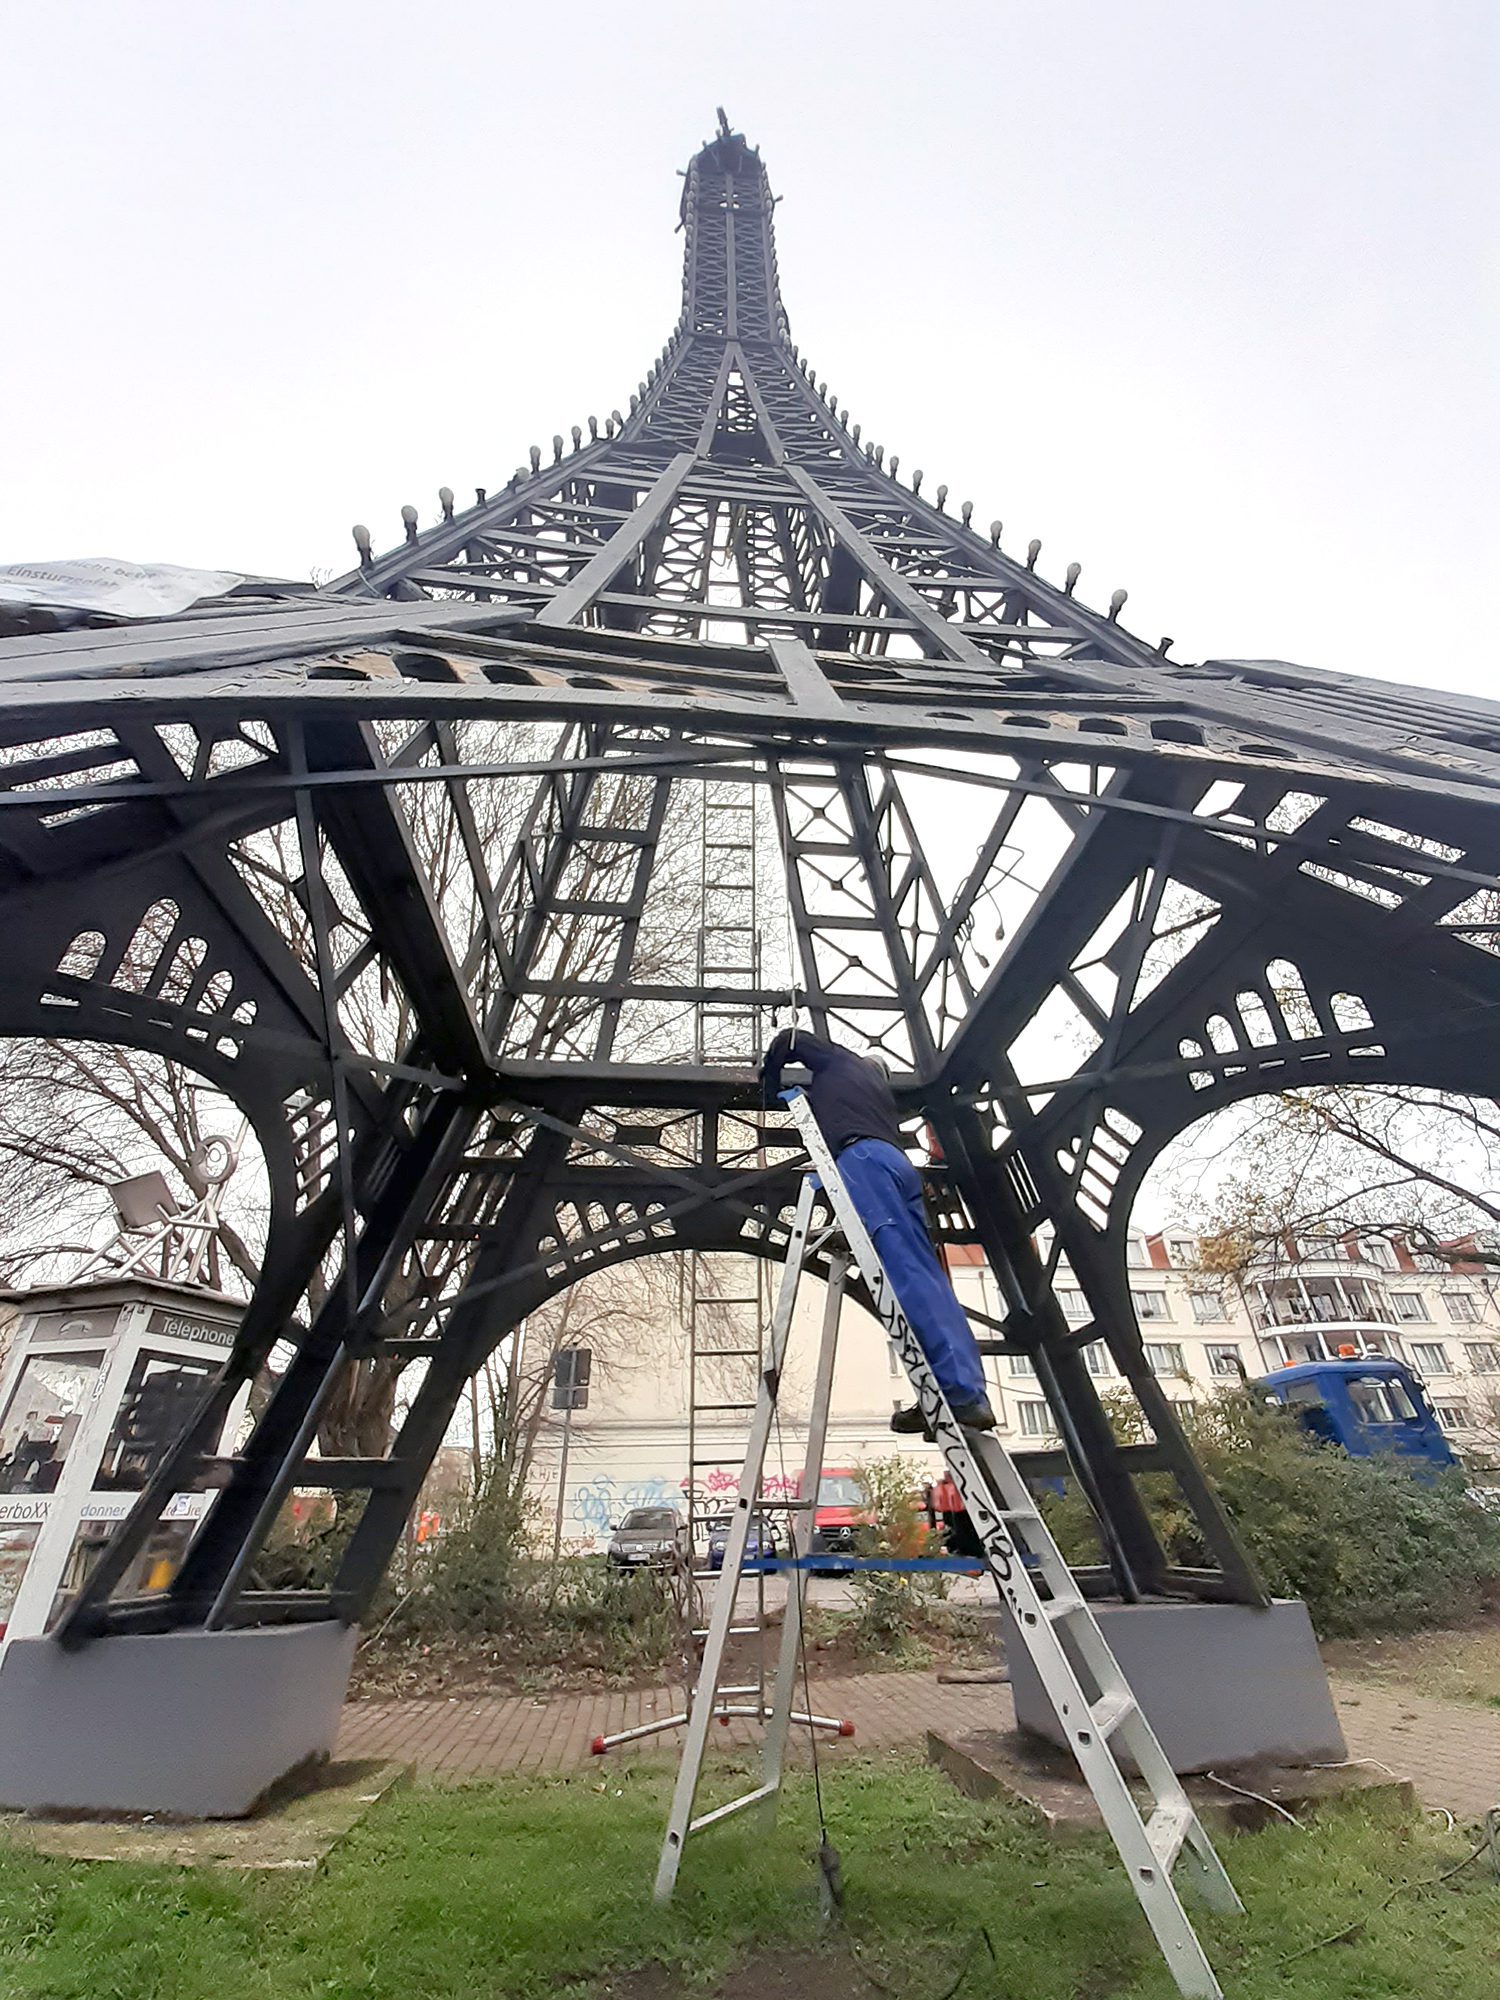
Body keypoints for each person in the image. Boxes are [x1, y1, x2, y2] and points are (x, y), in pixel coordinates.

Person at [760, 1024, 996, 1432]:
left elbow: (790, 1040)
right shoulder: (879, 1094)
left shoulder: (840, 1060)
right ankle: (957, 1390)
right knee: (925, 1276)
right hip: (898, 1165)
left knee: (902, 1274)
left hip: (862, 1159)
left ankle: (955, 1394)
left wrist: (768, 1082)